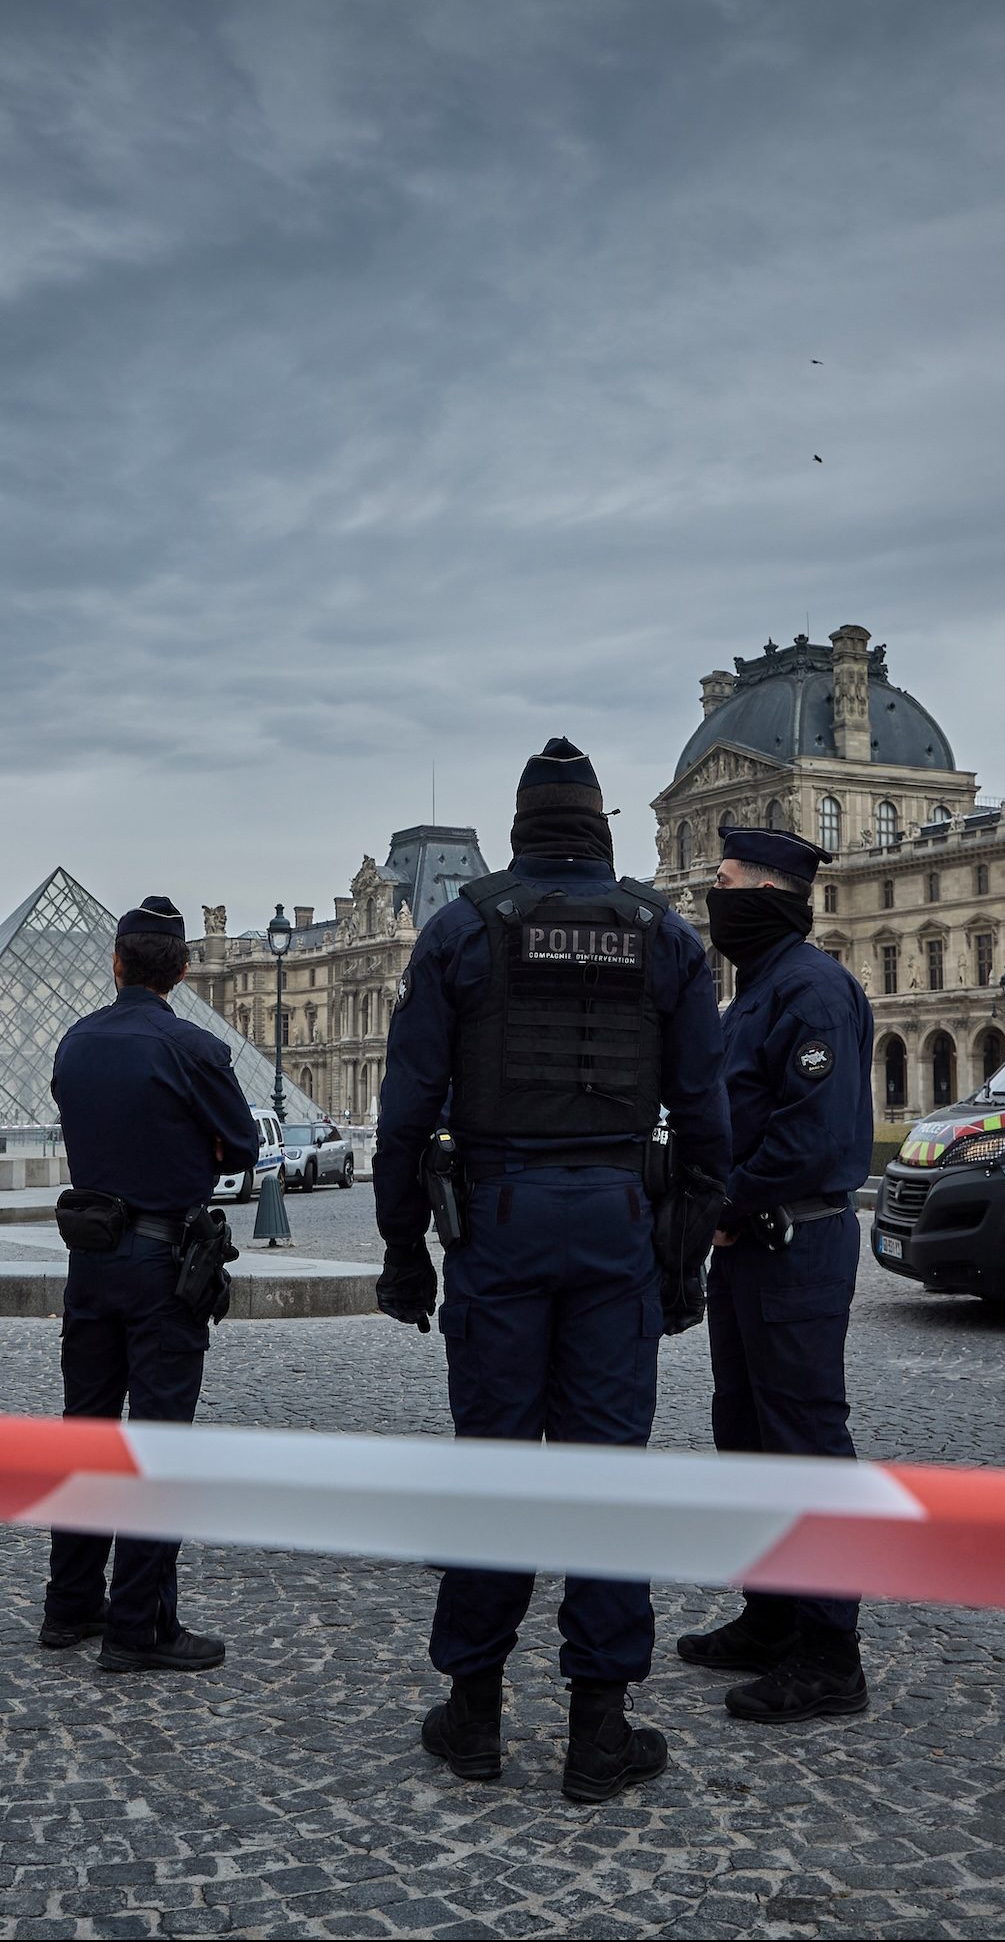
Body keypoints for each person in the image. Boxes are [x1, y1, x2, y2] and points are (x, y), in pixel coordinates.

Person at [374, 738, 732, 1801]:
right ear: (603, 828)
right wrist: (682, 1258)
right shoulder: (664, 936)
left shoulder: (461, 928)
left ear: (522, 827)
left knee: (492, 1466)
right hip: (619, 1217)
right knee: (607, 1473)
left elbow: (403, 1119)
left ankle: (475, 1716)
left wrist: (404, 1249)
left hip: (499, 1219)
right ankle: (598, 1729)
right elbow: (708, 1123)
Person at [676, 825, 873, 1722]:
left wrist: (723, 1199)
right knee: (746, 1434)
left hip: (792, 1242)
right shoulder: (758, 989)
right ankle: (769, 1613)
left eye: (721, 881)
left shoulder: (812, 990)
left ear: (763, 891)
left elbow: (815, 1138)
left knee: (803, 1443)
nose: (711, 897)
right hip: (753, 1246)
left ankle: (830, 1655)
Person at [41, 894, 260, 1674]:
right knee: (155, 1446)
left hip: (89, 1260)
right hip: (163, 1262)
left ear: (116, 961)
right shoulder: (192, 1046)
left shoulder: (76, 1041)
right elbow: (239, 1149)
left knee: (87, 1435)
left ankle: (69, 1607)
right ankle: (138, 1625)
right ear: (185, 969)